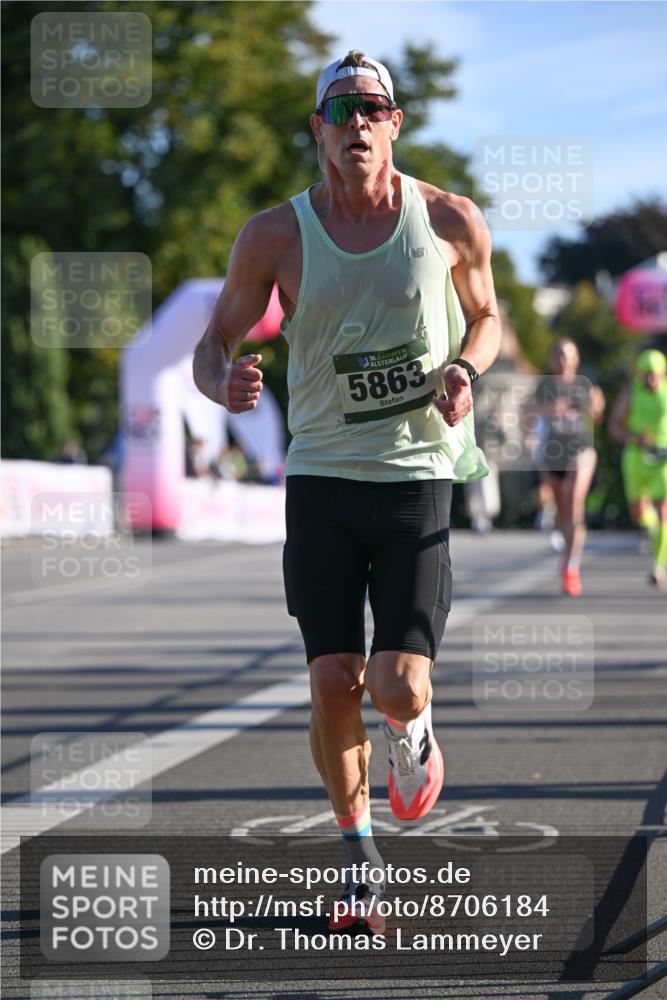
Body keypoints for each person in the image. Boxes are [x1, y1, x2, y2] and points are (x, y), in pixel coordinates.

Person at [193, 50, 501, 931]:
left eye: (373, 108)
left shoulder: (448, 219)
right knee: (333, 679)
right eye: (341, 111)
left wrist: (463, 368)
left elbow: (486, 315)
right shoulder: (273, 235)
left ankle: (412, 732)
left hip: (413, 474)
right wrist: (224, 385)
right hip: (321, 475)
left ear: (394, 124)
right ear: (318, 131)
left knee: (394, 684)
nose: (357, 124)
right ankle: (359, 862)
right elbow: (212, 344)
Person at [532, 339, 605, 596]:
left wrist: (596, 405)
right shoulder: (545, 386)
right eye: (559, 355)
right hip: (553, 453)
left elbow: (597, 411)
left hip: (581, 450)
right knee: (563, 513)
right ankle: (567, 556)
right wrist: (550, 410)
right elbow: (529, 412)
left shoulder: (585, 385)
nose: (564, 360)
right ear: (553, 359)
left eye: (569, 355)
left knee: (575, 504)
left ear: (576, 359)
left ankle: (571, 567)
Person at [610, 349, 667, 589]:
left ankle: (658, 566)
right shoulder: (630, 391)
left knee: (663, 509)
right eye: (647, 375)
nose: (652, 380)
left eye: (656, 375)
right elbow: (615, 427)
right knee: (638, 512)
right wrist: (635, 438)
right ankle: (653, 531)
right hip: (636, 458)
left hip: (663, 458)